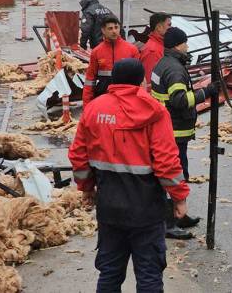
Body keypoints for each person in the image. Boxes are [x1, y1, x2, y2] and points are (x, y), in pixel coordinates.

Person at [68, 58, 190, 292]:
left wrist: (86, 188)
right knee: (149, 274)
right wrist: (179, 197)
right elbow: (166, 162)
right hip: (146, 208)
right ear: (140, 80)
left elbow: (78, 156)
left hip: (109, 206)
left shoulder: (94, 108)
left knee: (110, 273)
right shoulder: (154, 110)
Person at [151, 28, 218, 238]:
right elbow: (179, 100)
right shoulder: (175, 70)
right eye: (185, 43)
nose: (187, 47)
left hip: (166, 127)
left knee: (175, 173)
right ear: (178, 45)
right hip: (174, 130)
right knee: (175, 175)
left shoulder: (162, 63)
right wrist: (205, 93)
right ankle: (169, 222)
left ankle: (178, 215)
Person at [82, 16, 140, 107]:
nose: (114, 31)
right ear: (103, 30)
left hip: (126, 98)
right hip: (103, 97)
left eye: (116, 27)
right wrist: (86, 104)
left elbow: (139, 77)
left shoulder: (132, 50)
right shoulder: (97, 52)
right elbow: (90, 79)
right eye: (110, 28)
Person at [140, 12, 172, 92]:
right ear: (159, 27)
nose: (171, 28)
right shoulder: (152, 51)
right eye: (169, 25)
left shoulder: (159, 46)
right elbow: (148, 83)